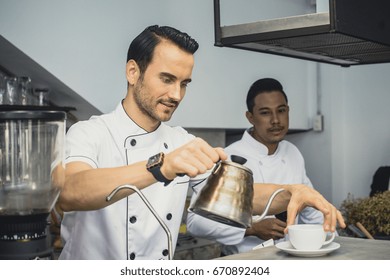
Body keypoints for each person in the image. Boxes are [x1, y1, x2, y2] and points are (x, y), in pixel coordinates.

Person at [57, 25, 345, 260]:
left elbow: (239, 197)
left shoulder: (181, 140)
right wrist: (161, 167)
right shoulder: (88, 132)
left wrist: (294, 192)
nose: (177, 95)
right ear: (133, 72)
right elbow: (71, 191)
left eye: (184, 83)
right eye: (167, 79)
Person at [187, 78, 333, 255]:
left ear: (288, 111)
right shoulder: (229, 158)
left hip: (286, 259)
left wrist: (331, 238)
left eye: (281, 111)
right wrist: (252, 228)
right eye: (265, 113)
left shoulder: (292, 152)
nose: (275, 120)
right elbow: (196, 223)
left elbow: (310, 210)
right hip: (244, 263)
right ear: (250, 117)